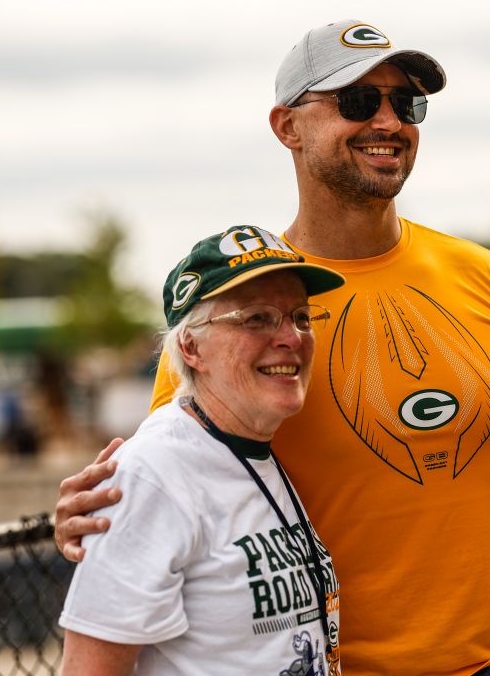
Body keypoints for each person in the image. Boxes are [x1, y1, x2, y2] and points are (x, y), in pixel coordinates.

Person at [55, 20, 490, 676]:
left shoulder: (482, 276)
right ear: (287, 127)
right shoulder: (238, 320)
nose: (388, 120)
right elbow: (160, 487)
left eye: (406, 104)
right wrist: (85, 524)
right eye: (356, 101)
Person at [59, 225, 347, 675]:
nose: (291, 337)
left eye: (301, 317)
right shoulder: (152, 473)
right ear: (191, 346)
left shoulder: (251, 451)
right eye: (257, 318)